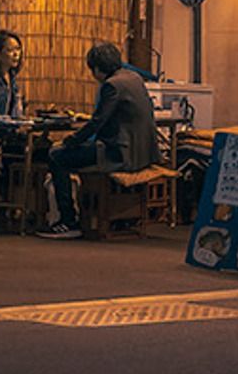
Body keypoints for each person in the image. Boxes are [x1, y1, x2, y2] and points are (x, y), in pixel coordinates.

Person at [46, 43, 156, 236]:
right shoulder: (134, 78)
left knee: (56, 156)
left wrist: (69, 141)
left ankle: (68, 221)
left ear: (97, 69)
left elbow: (97, 122)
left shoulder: (111, 85)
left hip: (120, 154)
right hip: (144, 154)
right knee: (71, 152)